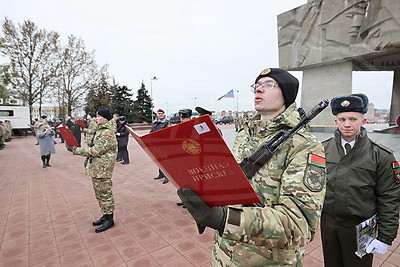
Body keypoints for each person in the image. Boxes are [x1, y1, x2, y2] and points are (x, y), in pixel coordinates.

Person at [177, 68, 327, 266]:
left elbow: (299, 226)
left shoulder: (305, 145)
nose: (259, 89)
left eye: (268, 85)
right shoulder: (243, 136)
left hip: (267, 260)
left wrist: (224, 219)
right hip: (224, 255)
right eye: (256, 86)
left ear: (287, 94)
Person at [321, 93, 400, 267]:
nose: (347, 124)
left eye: (353, 119)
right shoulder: (323, 150)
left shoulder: (380, 155)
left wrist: (385, 237)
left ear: (363, 121)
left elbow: (389, 198)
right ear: (336, 122)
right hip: (328, 225)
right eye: (342, 119)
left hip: (360, 228)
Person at [67, 108, 117, 233]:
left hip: (103, 169)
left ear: (105, 118)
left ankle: (109, 219)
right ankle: (105, 215)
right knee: (99, 193)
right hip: (98, 168)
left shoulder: (107, 133)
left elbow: (95, 151)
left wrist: (76, 150)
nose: (96, 118)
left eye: (98, 116)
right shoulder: (101, 130)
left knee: (105, 193)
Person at [151, 109, 170, 182]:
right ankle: (161, 174)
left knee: (165, 161)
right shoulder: (155, 123)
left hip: (164, 145)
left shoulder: (167, 122)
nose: (160, 114)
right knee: (159, 160)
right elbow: (151, 132)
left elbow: (168, 133)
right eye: (159, 113)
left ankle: (167, 176)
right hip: (156, 145)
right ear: (156, 115)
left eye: (162, 113)